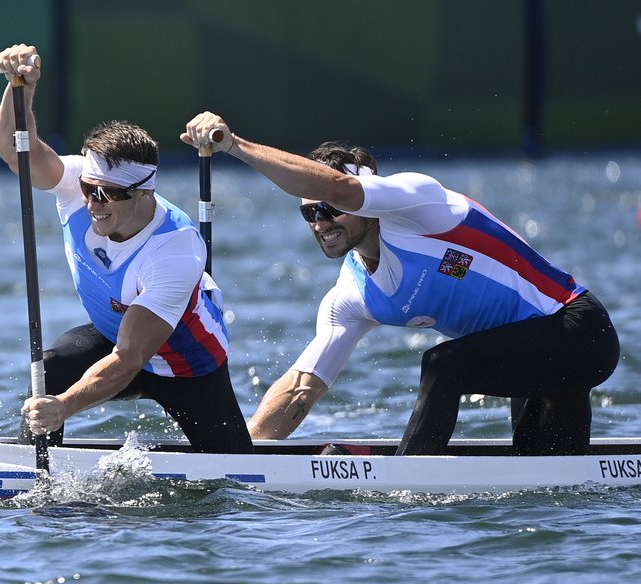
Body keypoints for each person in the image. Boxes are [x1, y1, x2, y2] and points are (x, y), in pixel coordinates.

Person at [181, 112, 620, 456]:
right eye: (310, 213)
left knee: (442, 365)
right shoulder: (351, 297)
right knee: (550, 483)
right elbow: (301, 388)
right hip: (526, 356)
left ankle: (407, 485)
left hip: (578, 331)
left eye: (331, 209)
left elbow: (341, 186)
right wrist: (243, 456)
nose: (322, 222)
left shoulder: (419, 203)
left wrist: (235, 145)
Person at [0, 46, 253, 453]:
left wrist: (63, 407)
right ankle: (36, 478)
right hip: (116, 336)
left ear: (143, 192)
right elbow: (14, 151)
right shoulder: (79, 183)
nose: (92, 203)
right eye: (89, 190)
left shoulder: (175, 249)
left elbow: (130, 359)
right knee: (52, 366)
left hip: (187, 362)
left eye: (109, 195)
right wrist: (19, 88)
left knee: (235, 473)